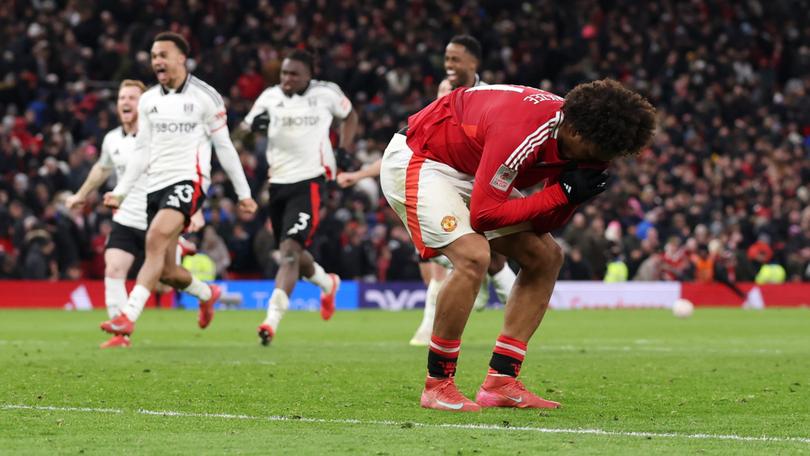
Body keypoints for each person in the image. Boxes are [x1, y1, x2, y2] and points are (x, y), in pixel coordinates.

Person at [380, 79, 655, 411]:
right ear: (576, 135)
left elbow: (545, 222)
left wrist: (568, 198)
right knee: (473, 256)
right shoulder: (524, 130)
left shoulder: (587, 139)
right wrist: (561, 194)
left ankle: (501, 382)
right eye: (600, 154)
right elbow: (484, 216)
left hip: (474, 168)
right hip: (422, 158)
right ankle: (437, 385)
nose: (602, 161)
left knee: (546, 256)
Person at [338, 35, 518, 346]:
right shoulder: (442, 99)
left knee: (489, 257)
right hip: (437, 183)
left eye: (454, 59)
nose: (448, 66)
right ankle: (429, 326)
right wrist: (358, 174)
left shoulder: (490, 98)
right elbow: (412, 146)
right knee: (443, 259)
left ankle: (513, 314)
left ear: (473, 63)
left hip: (475, 185)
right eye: (446, 60)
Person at [100, 32, 257, 339]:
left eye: (163, 55)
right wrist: (121, 192)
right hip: (155, 186)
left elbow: (224, 146)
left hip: (189, 180)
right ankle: (207, 294)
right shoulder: (149, 101)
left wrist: (244, 193)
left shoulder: (204, 96)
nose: (157, 60)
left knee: (155, 238)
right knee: (168, 271)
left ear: (181, 59)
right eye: (154, 55)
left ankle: (127, 318)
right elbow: (142, 150)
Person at [66, 79, 205, 348]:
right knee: (114, 268)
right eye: (122, 98)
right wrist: (81, 195)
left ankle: (207, 293)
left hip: (159, 218)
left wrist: (195, 211)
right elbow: (101, 169)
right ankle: (121, 334)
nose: (126, 102)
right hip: (126, 218)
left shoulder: (161, 138)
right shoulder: (112, 139)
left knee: (167, 281)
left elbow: (187, 173)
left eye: (132, 98)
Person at [242, 49, 358, 346]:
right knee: (292, 252)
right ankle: (325, 282)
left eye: (294, 73)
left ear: (309, 74)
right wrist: (254, 127)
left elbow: (350, 115)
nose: (287, 79)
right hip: (277, 182)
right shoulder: (270, 97)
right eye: (283, 73)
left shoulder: (326, 93)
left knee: (290, 253)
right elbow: (247, 127)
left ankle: (271, 321)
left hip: (311, 181)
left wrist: (344, 148)